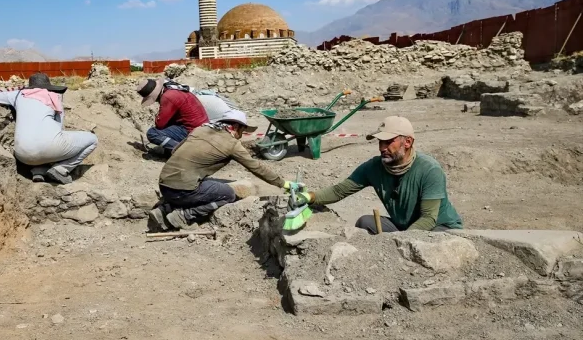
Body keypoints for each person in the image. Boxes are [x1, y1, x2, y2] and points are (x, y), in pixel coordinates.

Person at [290, 116, 463, 233]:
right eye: (380, 142)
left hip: (439, 229)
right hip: (405, 228)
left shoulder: (429, 170)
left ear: (408, 142)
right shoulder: (374, 167)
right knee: (365, 223)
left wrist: (399, 243)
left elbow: (428, 219)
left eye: (388, 142)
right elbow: (339, 191)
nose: (381, 148)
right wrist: (308, 196)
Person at [149, 109, 301, 230]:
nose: (242, 135)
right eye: (242, 130)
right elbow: (256, 167)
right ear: (235, 127)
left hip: (164, 184)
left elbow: (176, 149)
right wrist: (283, 183)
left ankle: (164, 209)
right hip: (181, 190)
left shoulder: (200, 130)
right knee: (227, 194)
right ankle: (184, 216)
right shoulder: (231, 144)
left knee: (201, 183)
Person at [0, 72, 98, 184]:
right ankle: (61, 169)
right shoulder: (53, 97)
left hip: (22, 155)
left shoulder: (17, 95)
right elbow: (59, 127)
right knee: (92, 140)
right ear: (48, 87)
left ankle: (39, 171)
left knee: (41, 140)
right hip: (49, 149)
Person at [136, 77, 209, 155]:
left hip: (192, 130)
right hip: (202, 128)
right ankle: (169, 152)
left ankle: (184, 152)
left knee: (152, 133)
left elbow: (160, 124)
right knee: (168, 125)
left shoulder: (167, 96)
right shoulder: (174, 90)